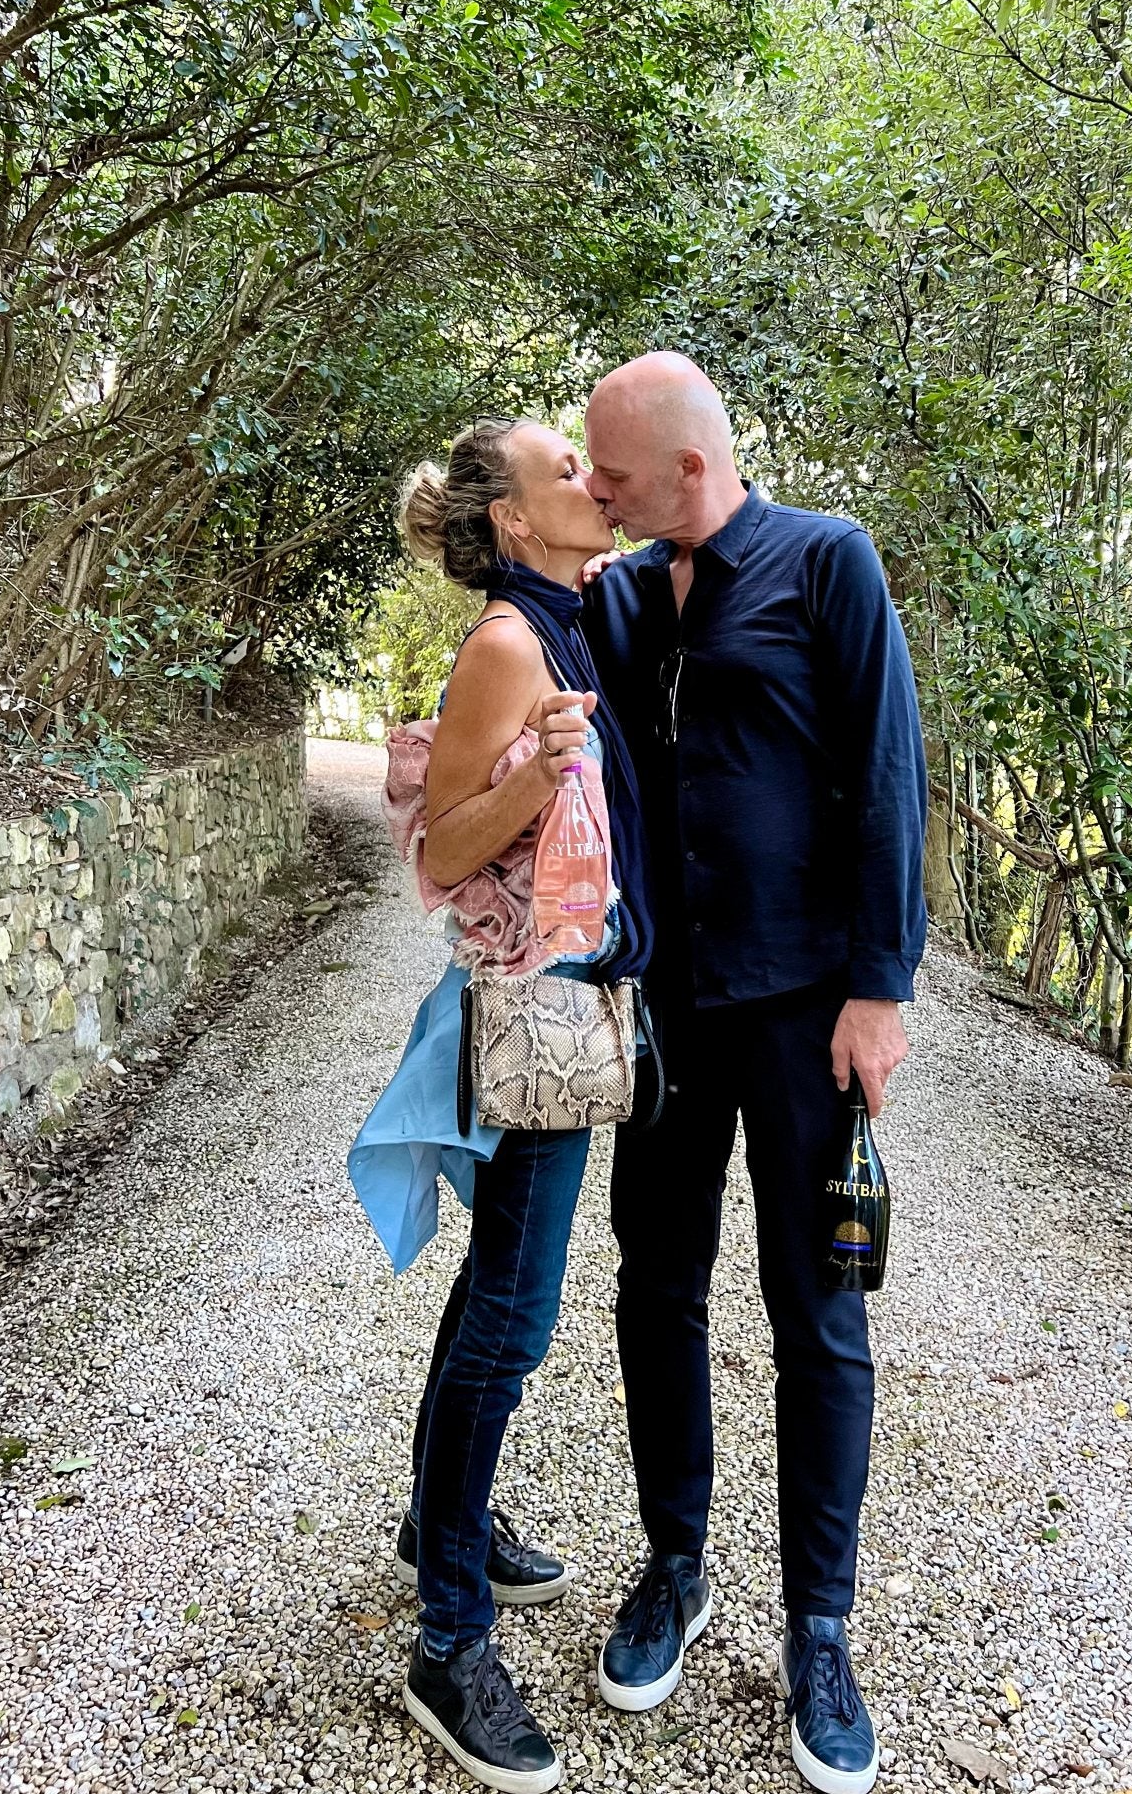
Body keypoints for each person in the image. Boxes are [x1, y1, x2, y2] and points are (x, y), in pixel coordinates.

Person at [579, 353, 928, 1794]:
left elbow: (887, 772)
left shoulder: (825, 563)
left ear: (691, 468)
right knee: (654, 1281)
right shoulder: (608, 597)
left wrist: (879, 988)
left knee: (819, 1310)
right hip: (667, 1010)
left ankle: (821, 1628)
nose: (597, 491)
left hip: (804, 1014)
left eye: (614, 471)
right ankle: (677, 1560)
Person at [347, 416, 654, 1794]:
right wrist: (536, 772)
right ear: (519, 525)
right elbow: (439, 844)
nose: (592, 483)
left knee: (500, 1299)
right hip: (532, 1013)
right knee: (512, 1319)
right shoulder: (510, 646)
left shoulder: (574, 615)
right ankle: (447, 1638)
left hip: (572, 999)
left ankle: (437, 1524)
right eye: (566, 474)